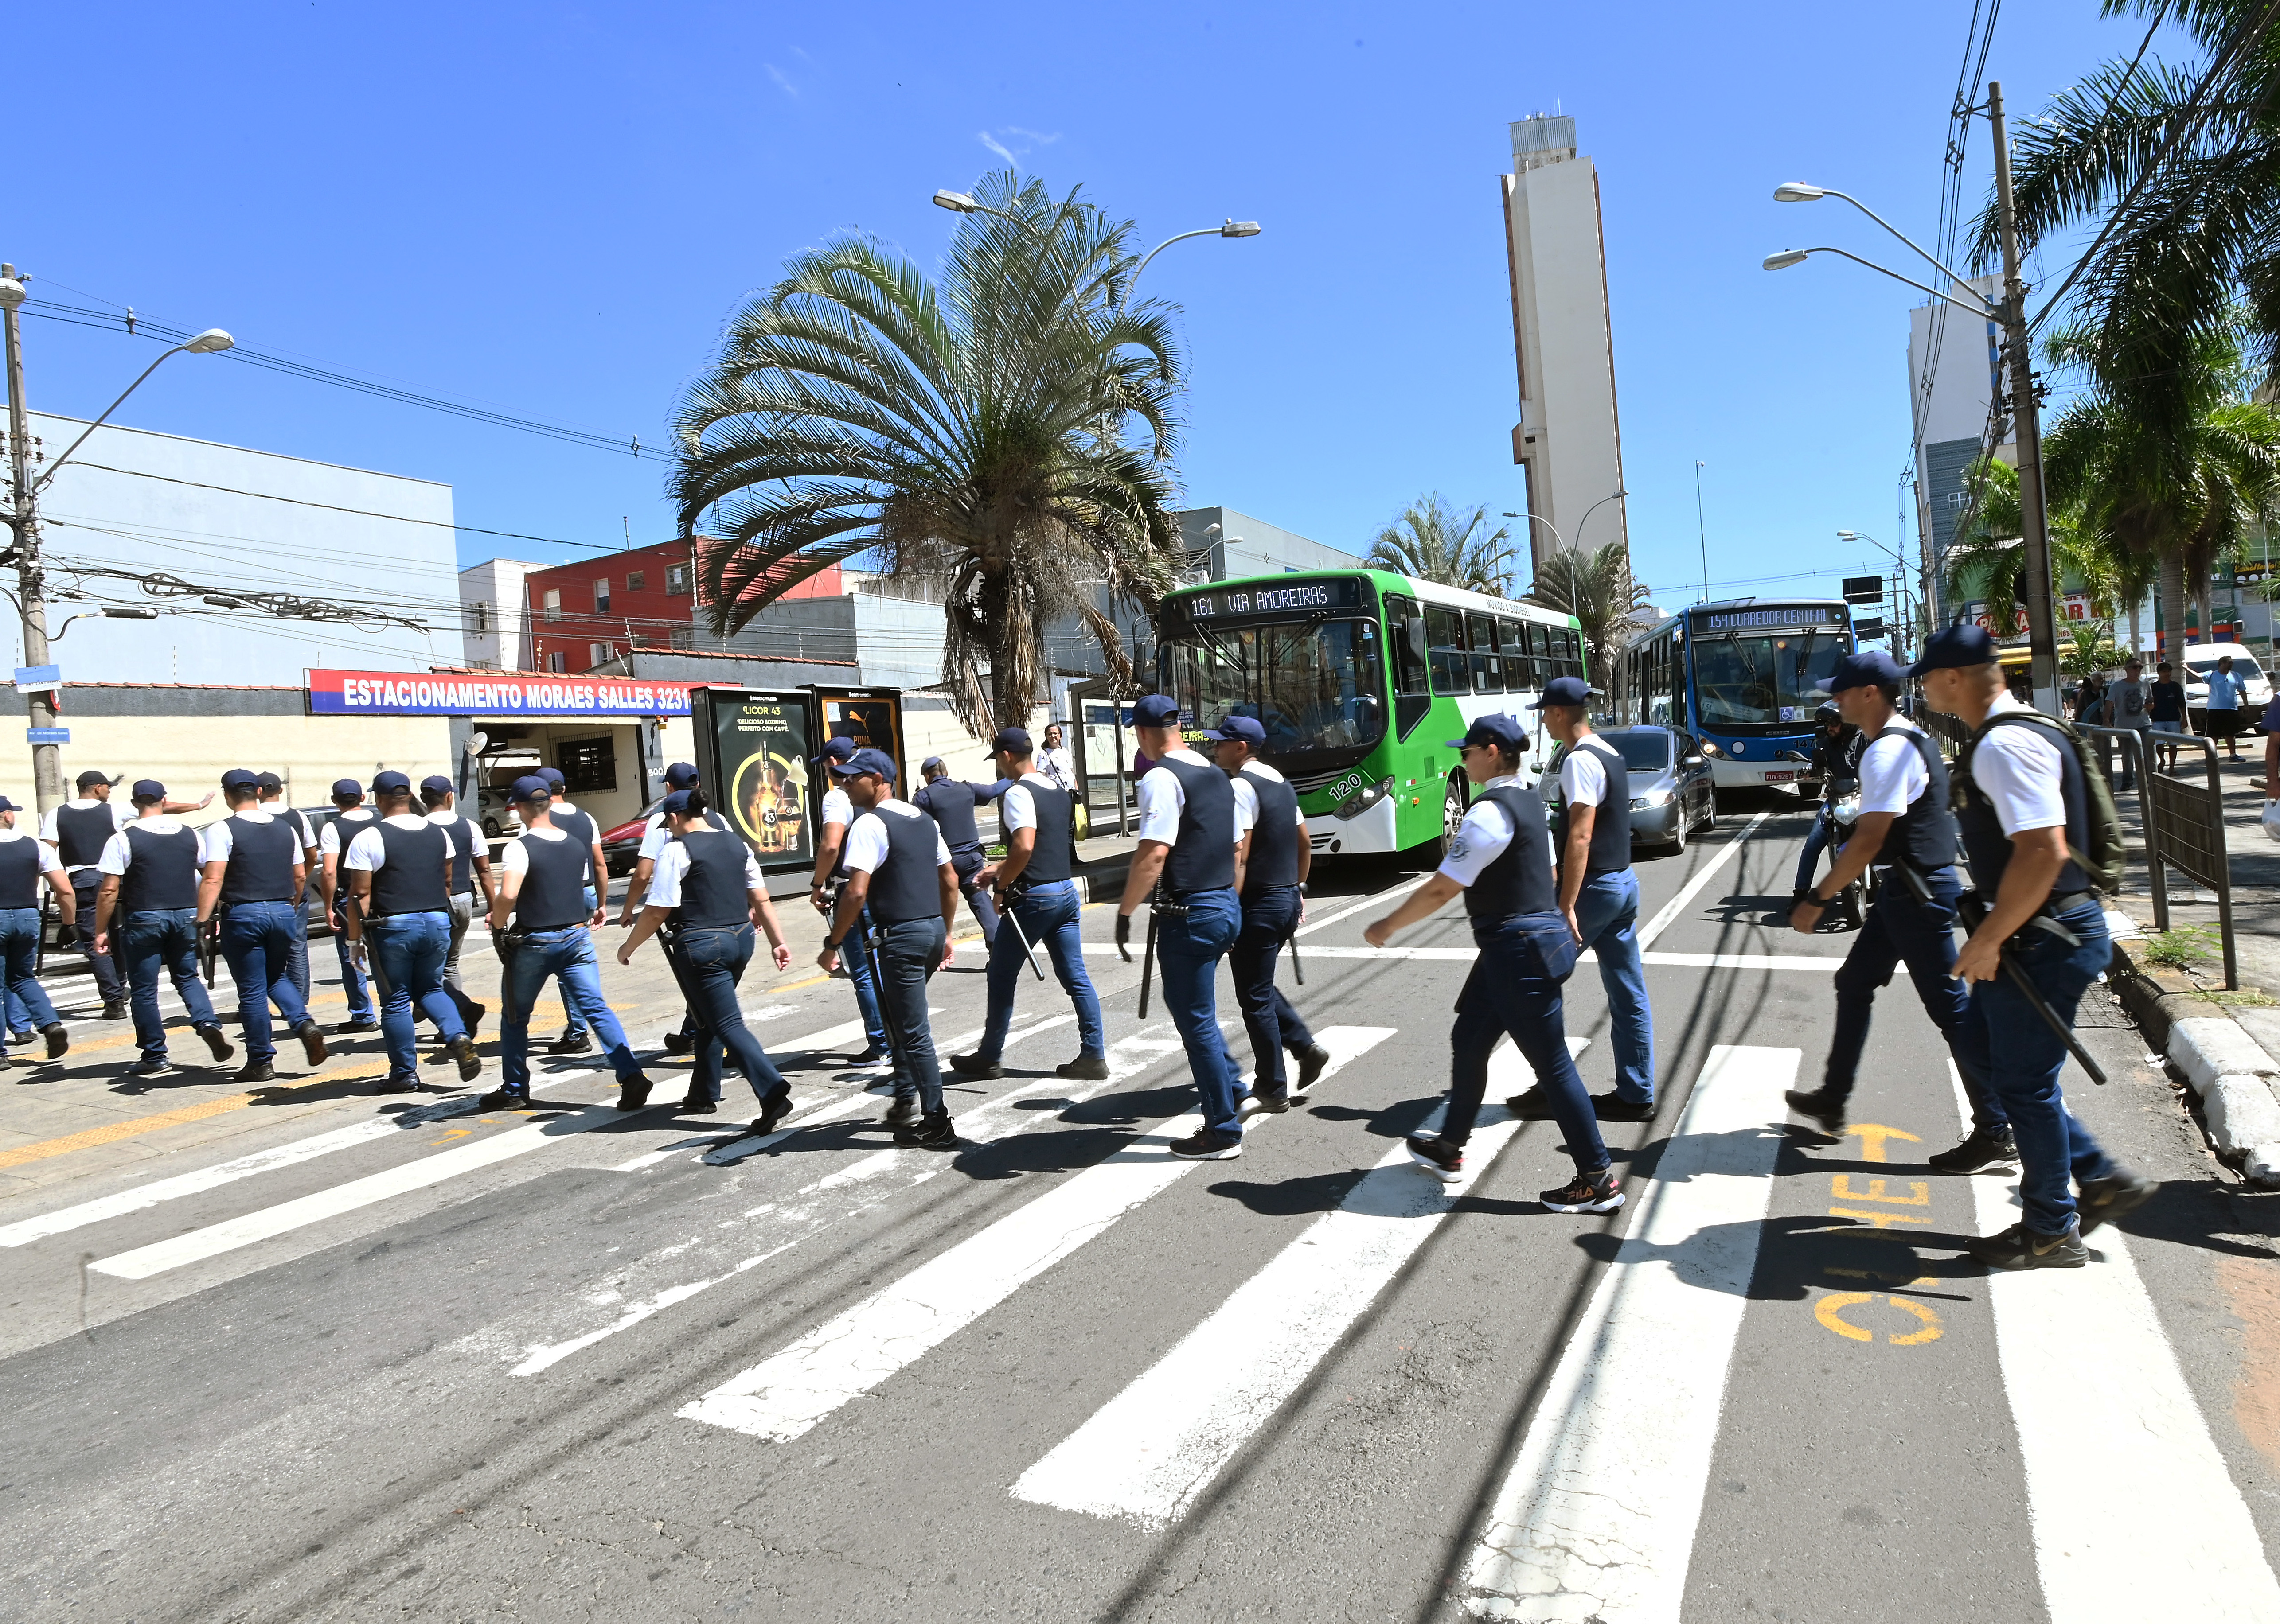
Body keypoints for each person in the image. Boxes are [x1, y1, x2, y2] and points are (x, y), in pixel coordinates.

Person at [1916, 623, 2156, 1267]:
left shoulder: (2004, 744)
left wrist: (1988, 938)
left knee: (2024, 1085)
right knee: (1986, 1052)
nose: (1923, 686)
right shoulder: (2024, 729)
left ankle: (2050, 1228)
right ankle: (2097, 1177)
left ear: (1954, 678)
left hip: (2042, 935)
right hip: (2043, 929)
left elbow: (2042, 852)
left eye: (1928, 675)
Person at [1363, 714, 1622, 1213]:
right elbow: (1547, 872)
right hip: (1517, 946)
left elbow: (1442, 887)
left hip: (1516, 951)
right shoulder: (1529, 799)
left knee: (1552, 1065)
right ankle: (1448, 1145)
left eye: (1466, 752)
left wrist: (1387, 925)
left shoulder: (1488, 812)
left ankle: (1597, 1180)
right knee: (1469, 1039)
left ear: (1491, 752)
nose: (1462, 760)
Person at [1779, 652, 2015, 1170]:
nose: (1834, 700)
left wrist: (1817, 899)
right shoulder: (1908, 736)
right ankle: (1832, 1096)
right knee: (1854, 981)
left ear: (1869, 693)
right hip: (1903, 889)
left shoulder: (1885, 750)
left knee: (1951, 1012)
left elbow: (1868, 839)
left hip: (1916, 893)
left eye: (1842, 690)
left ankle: (1996, 1126)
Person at [1114, 694, 1250, 1160]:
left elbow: (1154, 853)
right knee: (1195, 1012)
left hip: (1190, 911)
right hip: (1223, 903)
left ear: (1143, 732)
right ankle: (1232, 1086)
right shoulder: (1217, 775)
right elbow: (1237, 847)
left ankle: (1223, 1130)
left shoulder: (1160, 776)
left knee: (1195, 1020)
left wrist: (1124, 912)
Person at [1514, 675, 1656, 1121]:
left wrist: (1566, 905)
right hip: (1622, 882)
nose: (1542, 720)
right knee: (1627, 990)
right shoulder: (1609, 752)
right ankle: (1636, 1092)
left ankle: (1552, 1087)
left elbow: (1580, 835)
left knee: (1531, 981)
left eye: (1544, 712)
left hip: (1594, 888)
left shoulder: (1579, 761)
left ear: (1559, 712)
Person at [618, 787, 792, 1129]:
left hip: (703, 945)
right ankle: (703, 1093)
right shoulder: (737, 843)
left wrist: (629, 946)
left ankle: (773, 1092)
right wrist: (778, 942)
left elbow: (657, 911)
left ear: (673, 818)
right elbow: (761, 898)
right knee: (710, 1016)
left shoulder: (677, 849)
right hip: (742, 939)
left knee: (727, 1023)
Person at [486, 775, 654, 1112]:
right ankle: (631, 1074)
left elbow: (509, 893)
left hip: (536, 940)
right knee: (596, 1008)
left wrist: (498, 923)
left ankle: (515, 1089)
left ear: (519, 808)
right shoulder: (576, 844)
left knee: (516, 1017)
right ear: (548, 804)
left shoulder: (520, 846)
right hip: (577, 936)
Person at [817, 749, 959, 1146]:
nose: (845, 784)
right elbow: (949, 880)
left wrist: (833, 943)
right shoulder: (924, 820)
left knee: (912, 1030)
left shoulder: (870, 823)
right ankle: (903, 1096)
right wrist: (947, 932)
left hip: (901, 935)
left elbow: (855, 892)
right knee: (900, 1018)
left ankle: (937, 1120)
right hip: (931, 929)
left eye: (853, 778)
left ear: (878, 779)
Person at [951, 727, 1109, 1083]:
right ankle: (1094, 1053)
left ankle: (990, 1056)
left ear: (1007, 756)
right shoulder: (1056, 790)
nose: (999, 767)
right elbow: (1044, 846)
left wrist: (1001, 887)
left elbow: (1024, 846)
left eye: (998, 759)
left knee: (1001, 973)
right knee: (1076, 976)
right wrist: (998, 869)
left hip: (1036, 896)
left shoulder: (1018, 792)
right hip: (1065, 891)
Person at [1207, 714, 1330, 1110]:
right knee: (1257, 983)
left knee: (1254, 996)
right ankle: (1303, 1046)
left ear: (1241, 747)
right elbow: (1305, 842)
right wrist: (1298, 887)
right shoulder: (1281, 783)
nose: (1215, 748)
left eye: (1221, 742)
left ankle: (1273, 1087)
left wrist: (1229, 906)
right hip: (1286, 898)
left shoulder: (1241, 787)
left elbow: (1239, 854)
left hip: (1257, 902)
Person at [340, 770, 482, 1093]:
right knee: (431, 988)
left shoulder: (370, 837)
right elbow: (447, 881)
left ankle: (404, 1074)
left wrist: (354, 941)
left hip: (393, 926)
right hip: (437, 920)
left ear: (379, 799)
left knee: (396, 1001)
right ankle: (458, 1035)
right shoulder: (439, 834)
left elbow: (360, 895)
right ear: (408, 797)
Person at [93, 779, 234, 1076]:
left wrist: (101, 930)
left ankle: (154, 1054)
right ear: (165, 801)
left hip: (144, 917)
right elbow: (210, 876)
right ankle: (207, 1022)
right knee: (187, 977)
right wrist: (210, 914)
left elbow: (109, 890)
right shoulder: (190, 835)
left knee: (145, 989)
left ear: (135, 804)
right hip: (185, 915)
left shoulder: (123, 838)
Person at [196, 769, 327, 1082]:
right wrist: (291, 906)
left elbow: (213, 878)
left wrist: (202, 919)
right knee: (276, 976)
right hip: (283, 910)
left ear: (227, 795)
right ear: (258, 792)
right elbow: (300, 875)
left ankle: (260, 1060)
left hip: (244, 912)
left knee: (252, 989)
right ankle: (303, 1022)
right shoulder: (286, 828)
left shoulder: (222, 829)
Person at [617, 761, 731, 1055]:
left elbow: (643, 874)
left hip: (684, 913)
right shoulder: (718, 819)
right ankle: (692, 1032)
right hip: (724, 908)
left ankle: (709, 1038)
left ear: (669, 787)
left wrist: (628, 909)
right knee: (711, 979)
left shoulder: (662, 822)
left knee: (697, 979)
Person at [806, 739, 891, 1064]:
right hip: (884, 885)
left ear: (833, 763)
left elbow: (831, 846)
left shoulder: (837, 797)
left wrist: (817, 884)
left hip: (854, 886)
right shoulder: (875, 791)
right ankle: (897, 1036)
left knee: (864, 971)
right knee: (884, 966)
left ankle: (881, 1044)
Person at [40, 769, 133, 1019]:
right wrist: (198, 805)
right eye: (107, 787)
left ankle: (114, 1001)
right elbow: (156, 808)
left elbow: (47, 853)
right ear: (97, 788)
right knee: (118, 936)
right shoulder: (113, 811)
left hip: (83, 881)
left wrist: (56, 884)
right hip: (115, 878)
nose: (109, 791)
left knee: (96, 941)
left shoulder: (57, 814)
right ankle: (119, 987)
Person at [533, 765, 608, 1053]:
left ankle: (578, 1032)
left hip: (559, 897)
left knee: (566, 965)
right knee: (578, 959)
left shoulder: (539, 818)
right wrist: (602, 903)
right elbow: (600, 864)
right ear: (564, 788)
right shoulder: (586, 817)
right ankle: (584, 1025)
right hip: (587, 893)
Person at [419, 774, 492, 1051]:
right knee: (450, 965)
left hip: (434, 904)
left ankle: (454, 1015)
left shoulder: (420, 828)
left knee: (428, 969)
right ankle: (453, 1020)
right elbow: (485, 870)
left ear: (424, 800)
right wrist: (493, 908)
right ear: (450, 796)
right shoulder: (469, 826)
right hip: (464, 900)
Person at [0, 795, 73, 1066]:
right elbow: (65, 890)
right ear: (7, 816)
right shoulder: (36, 847)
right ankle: (50, 1024)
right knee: (23, 978)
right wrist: (69, 924)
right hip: (28, 916)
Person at [912, 755, 1003, 958]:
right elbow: (995, 789)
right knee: (981, 901)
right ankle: (998, 949)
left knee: (935, 906)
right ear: (946, 772)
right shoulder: (966, 789)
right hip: (971, 860)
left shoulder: (924, 797)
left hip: (943, 864)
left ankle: (932, 953)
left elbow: (914, 825)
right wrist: (1016, 777)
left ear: (927, 777)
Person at [317, 779, 382, 1035]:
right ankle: (395, 1006)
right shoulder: (381, 821)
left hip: (351, 900)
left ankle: (363, 1015)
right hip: (383, 898)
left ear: (335, 801)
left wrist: (328, 907)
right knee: (385, 955)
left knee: (353, 957)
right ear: (363, 798)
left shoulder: (333, 827)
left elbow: (329, 871)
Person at [254, 771, 321, 1005]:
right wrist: (300, 878)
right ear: (281, 790)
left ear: (258, 792)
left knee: (256, 950)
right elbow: (312, 855)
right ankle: (299, 1002)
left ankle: (256, 1003)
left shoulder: (249, 817)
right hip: (293, 889)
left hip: (259, 892)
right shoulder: (298, 817)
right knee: (297, 945)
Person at [1793, 701, 1862, 904]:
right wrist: (1809, 770)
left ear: (1847, 723)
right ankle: (1800, 893)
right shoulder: (1825, 744)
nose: (1829, 728)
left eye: (1833, 723)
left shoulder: (1865, 739)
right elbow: (1816, 764)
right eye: (1827, 724)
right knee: (1813, 842)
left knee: (1889, 831)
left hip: (1865, 797)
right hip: (1835, 801)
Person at [2104, 657, 2151, 790]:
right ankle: (2127, 780)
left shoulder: (2145, 684)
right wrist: (2106, 720)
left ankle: (2148, 781)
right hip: (2124, 727)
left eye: (2140, 667)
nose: (2138, 670)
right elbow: (2109, 704)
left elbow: (2150, 701)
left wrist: (2151, 707)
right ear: (2127, 669)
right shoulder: (2116, 687)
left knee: (2146, 754)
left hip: (2143, 724)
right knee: (2127, 757)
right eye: (2134, 667)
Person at [2205, 652, 2249, 760]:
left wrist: (2246, 705)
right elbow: (2198, 676)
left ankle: (2233, 755)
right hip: (2215, 710)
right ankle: (2211, 757)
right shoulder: (2212, 675)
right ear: (2222, 663)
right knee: (2213, 735)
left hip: (2231, 709)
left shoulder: (2236, 676)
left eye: (2232, 663)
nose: (2231, 665)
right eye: (2229, 662)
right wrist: (2187, 669)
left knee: (2231, 734)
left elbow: (2242, 691)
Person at [2149, 660, 2189, 771]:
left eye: (2169, 672)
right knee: (2159, 744)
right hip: (2157, 720)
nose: (2167, 674)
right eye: (2164, 672)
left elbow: (2182, 703)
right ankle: (2162, 760)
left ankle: (2172, 767)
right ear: (2159, 673)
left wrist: (2184, 719)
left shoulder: (2175, 686)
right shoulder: (2153, 687)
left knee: (2173, 744)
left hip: (2174, 719)